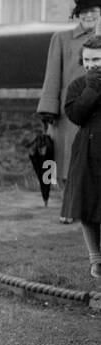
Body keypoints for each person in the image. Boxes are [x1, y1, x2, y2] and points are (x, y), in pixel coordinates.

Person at [38, 0, 101, 224]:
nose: (89, 15)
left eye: (93, 11)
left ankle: (90, 209)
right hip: (71, 108)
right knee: (66, 161)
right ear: (77, 15)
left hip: (98, 112)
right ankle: (68, 208)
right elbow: (53, 73)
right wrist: (48, 108)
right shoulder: (62, 38)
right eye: (83, 12)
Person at [62, 35, 101, 278]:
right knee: (87, 205)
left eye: (96, 59)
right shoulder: (78, 85)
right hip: (88, 151)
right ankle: (96, 259)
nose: (91, 64)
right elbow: (76, 115)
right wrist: (92, 88)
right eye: (87, 59)